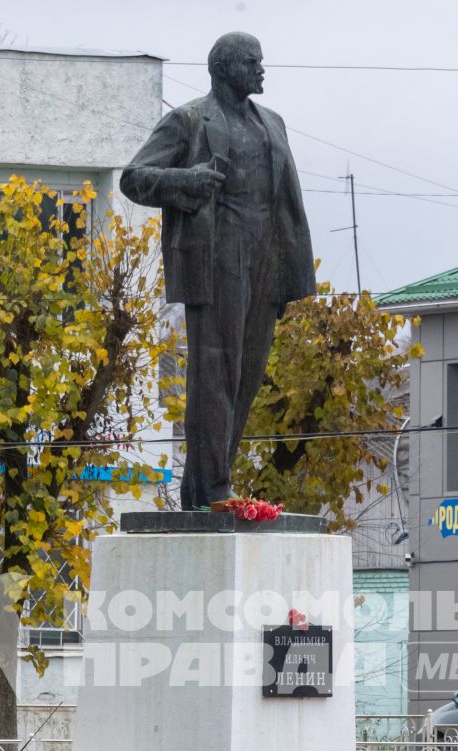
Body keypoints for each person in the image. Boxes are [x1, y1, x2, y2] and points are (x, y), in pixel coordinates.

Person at [120, 31, 316, 510]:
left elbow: (285, 199)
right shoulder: (189, 121)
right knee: (215, 375)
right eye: (254, 61)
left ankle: (202, 488)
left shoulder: (274, 123)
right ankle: (213, 489)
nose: (262, 70)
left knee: (246, 378)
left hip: (266, 262)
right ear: (227, 67)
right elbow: (134, 178)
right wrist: (186, 180)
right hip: (216, 260)